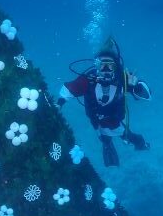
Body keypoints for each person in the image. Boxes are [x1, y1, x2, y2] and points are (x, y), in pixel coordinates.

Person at [57, 37, 151, 167]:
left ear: (116, 67)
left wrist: (135, 85)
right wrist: (59, 103)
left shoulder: (123, 79)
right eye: (102, 65)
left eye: (110, 65)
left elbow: (147, 96)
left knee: (126, 135)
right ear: (96, 66)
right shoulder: (88, 80)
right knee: (104, 138)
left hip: (116, 119)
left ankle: (140, 144)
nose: (106, 69)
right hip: (96, 120)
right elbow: (69, 90)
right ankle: (108, 146)